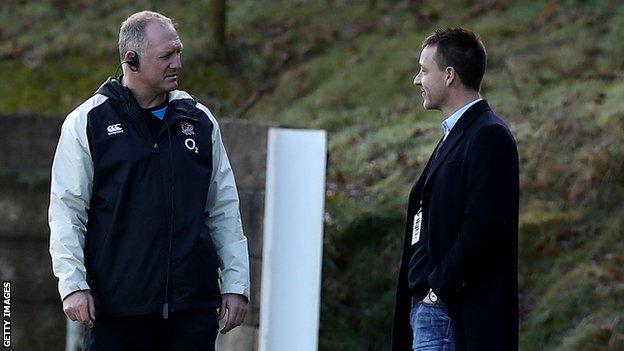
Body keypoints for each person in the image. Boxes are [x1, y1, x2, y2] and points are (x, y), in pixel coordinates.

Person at [48, 11, 250, 351]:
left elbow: (224, 209)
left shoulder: (200, 121)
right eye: (166, 56)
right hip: (118, 312)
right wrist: (72, 284)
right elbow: (67, 211)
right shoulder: (88, 122)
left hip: (193, 310)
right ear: (132, 60)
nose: (178, 64)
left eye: (179, 52)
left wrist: (236, 284)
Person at [391, 28, 519, 351]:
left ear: (449, 75)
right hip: (432, 316)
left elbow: (482, 227)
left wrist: (438, 290)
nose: (417, 80)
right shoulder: (456, 135)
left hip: (451, 319)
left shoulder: (489, 136)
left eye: (423, 70)